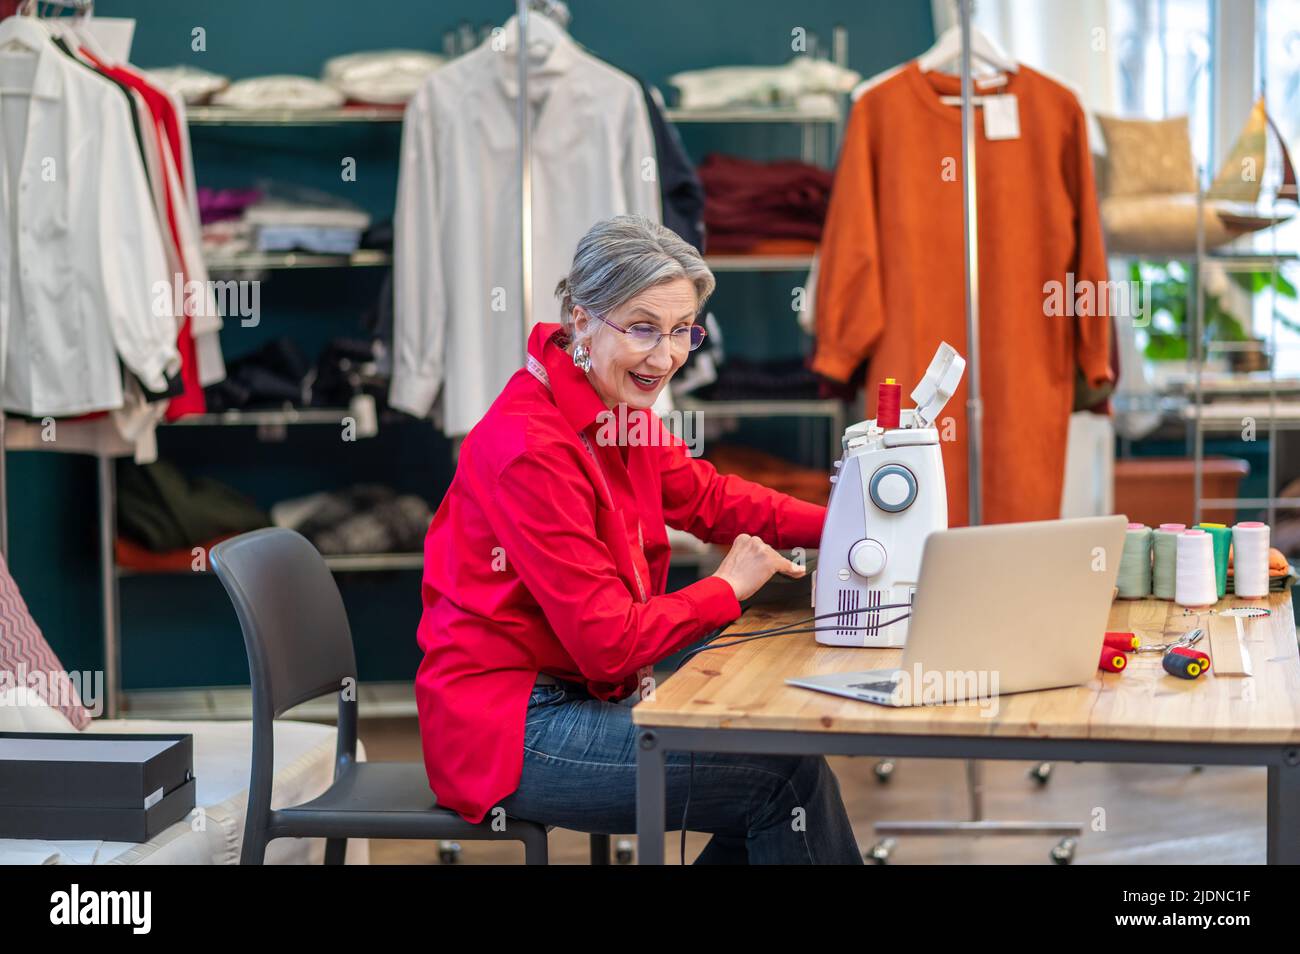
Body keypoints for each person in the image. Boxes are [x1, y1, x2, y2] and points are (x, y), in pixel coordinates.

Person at [415, 214, 861, 863]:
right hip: (512, 729)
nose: (667, 356)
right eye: (644, 328)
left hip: (575, 690)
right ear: (581, 319)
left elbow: (707, 499)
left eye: (683, 331)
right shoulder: (530, 450)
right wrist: (725, 587)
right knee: (782, 781)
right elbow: (610, 646)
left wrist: (851, 522)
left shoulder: (616, 407)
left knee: (776, 747)